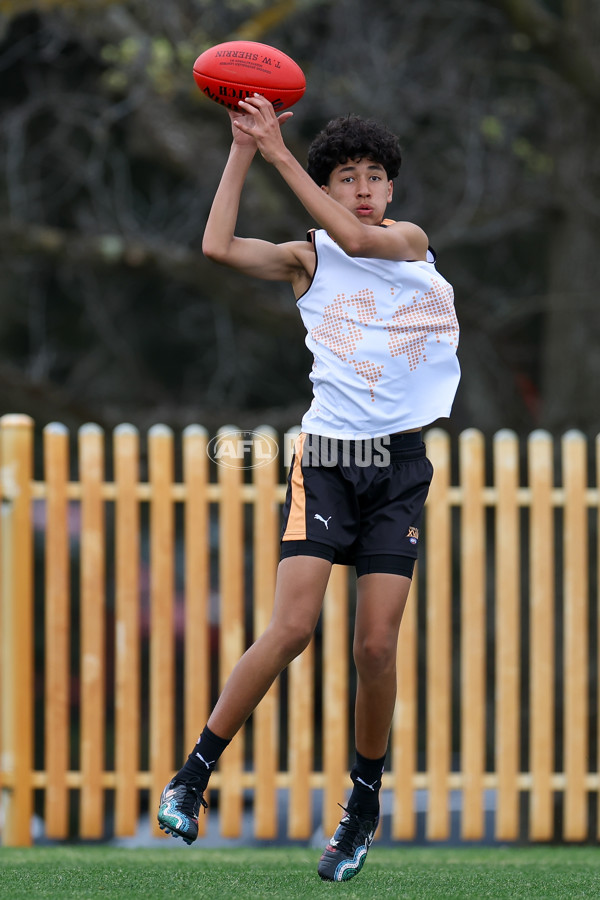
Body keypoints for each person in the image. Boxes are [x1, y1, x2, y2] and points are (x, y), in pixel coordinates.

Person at [157, 95, 460, 882]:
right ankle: (194, 773)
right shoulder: (310, 260)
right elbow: (216, 245)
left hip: (397, 470)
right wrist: (242, 148)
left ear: (392, 190)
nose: (362, 189)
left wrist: (280, 149)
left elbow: (360, 235)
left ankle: (362, 804)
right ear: (327, 187)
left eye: (374, 177)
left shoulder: (407, 244)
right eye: (348, 177)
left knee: (375, 646)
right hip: (325, 460)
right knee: (290, 629)